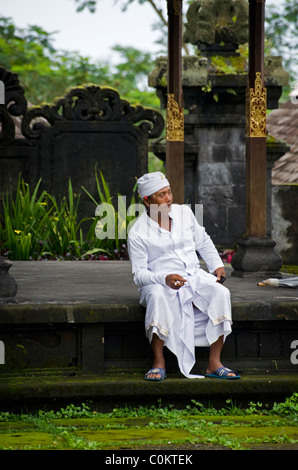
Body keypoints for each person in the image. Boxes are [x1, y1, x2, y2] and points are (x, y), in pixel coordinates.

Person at [127, 171, 240, 381]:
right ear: (147, 200)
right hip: (158, 283)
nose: (169, 198)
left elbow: (203, 240)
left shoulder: (184, 213)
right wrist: (164, 278)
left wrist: (217, 264)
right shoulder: (138, 232)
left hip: (193, 276)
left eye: (169, 192)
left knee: (220, 293)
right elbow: (139, 275)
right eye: (161, 195)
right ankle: (158, 362)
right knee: (158, 297)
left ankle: (214, 363)